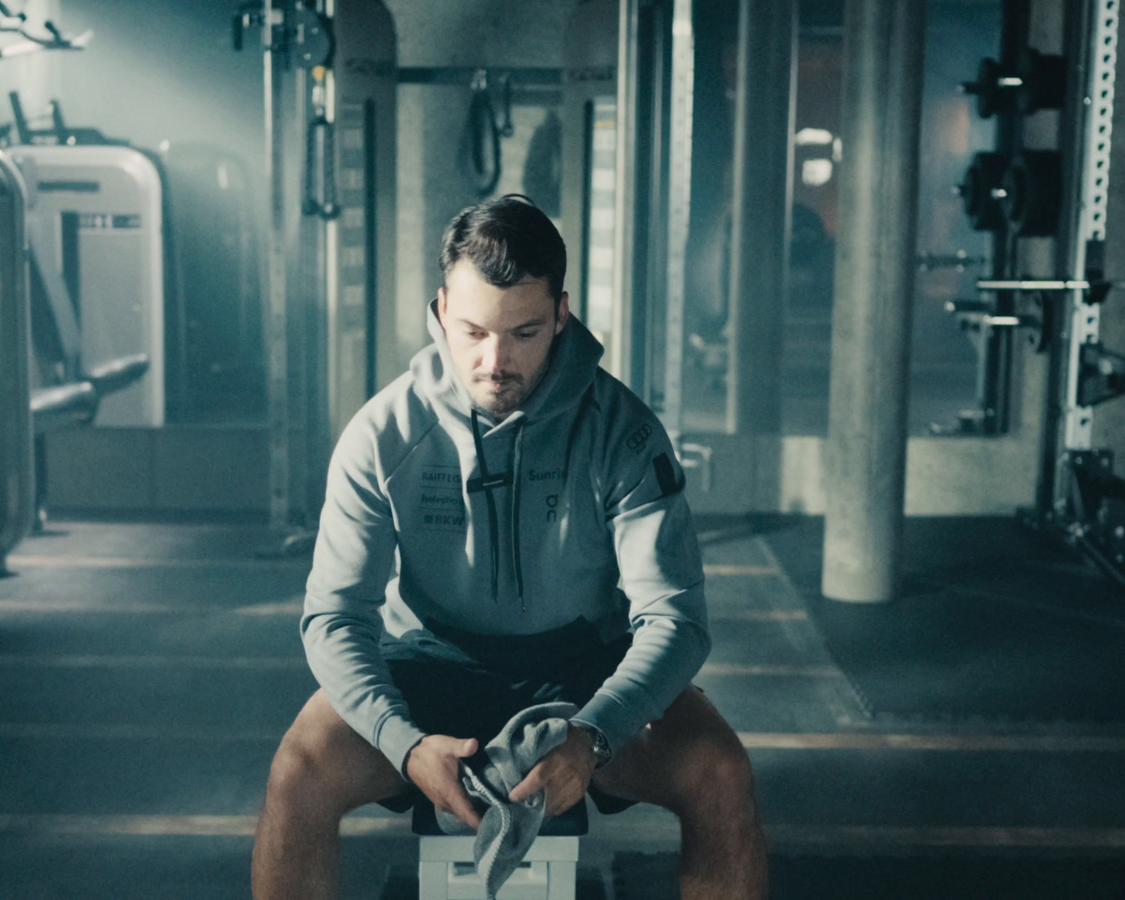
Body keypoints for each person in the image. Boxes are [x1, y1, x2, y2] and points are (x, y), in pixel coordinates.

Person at [252, 195, 766, 899]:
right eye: (472, 331)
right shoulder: (382, 435)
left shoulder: (623, 433)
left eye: (524, 331)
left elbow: (675, 619)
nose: (496, 362)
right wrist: (402, 743)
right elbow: (335, 617)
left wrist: (593, 736)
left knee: (720, 773)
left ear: (561, 312)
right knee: (299, 771)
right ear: (438, 311)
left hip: (583, 667)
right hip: (427, 665)